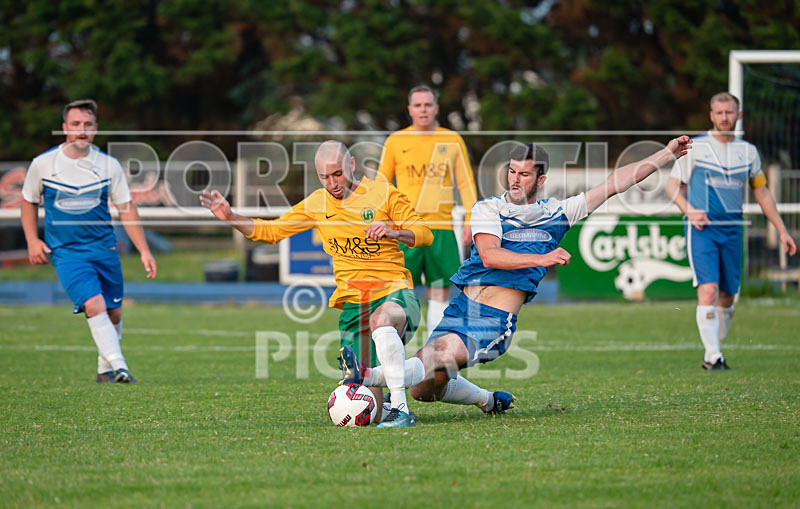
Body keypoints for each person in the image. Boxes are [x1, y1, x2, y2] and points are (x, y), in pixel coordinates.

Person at [348, 136, 692, 417]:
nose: (515, 179)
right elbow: (489, 255)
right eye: (511, 171)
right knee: (425, 388)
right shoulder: (488, 208)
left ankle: (365, 376)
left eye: (524, 174)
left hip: (493, 320)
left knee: (436, 355)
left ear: (540, 179)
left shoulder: (559, 212)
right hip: (460, 311)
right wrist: (545, 256)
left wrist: (665, 154)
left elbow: (615, 183)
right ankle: (488, 400)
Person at [200, 141, 433, 428]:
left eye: (337, 174)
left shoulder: (383, 194)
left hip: (394, 293)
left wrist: (393, 231)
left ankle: (400, 408)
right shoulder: (316, 204)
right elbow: (269, 231)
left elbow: (424, 233)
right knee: (367, 406)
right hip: (353, 307)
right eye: (325, 177)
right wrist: (231, 217)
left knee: (381, 319)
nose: (332, 183)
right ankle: (405, 396)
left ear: (352, 165)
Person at [21, 99, 157, 383]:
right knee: (94, 305)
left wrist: (144, 250)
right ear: (64, 128)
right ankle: (120, 366)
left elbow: (126, 208)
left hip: (104, 248)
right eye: (75, 125)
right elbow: (28, 202)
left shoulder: (108, 165)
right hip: (67, 251)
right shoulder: (43, 164)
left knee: (114, 312)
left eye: (87, 125)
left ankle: (104, 371)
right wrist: (33, 240)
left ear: (95, 129)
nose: (81, 130)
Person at [666, 92, 796, 370]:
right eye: (719, 113)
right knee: (709, 290)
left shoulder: (748, 152)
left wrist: (782, 230)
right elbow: (671, 188)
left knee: (727, 296)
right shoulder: (695, 147)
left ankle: (712, 352)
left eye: (730, 112)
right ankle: (713, 357)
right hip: (702, 230)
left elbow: (762, 192)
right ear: (711, 115)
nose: (724, 117)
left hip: (732, 231)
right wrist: (689, 210)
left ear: (739, 116)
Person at [378, 85, 478, 334]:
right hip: (405, 229)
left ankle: (435, 351)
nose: (423, 109)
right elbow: (382, 184)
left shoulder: (452, 139)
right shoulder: (396, 141)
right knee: (401, 291)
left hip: (440, 228)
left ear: (436, 108)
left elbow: (465, 182)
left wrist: (470, 218)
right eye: (418, 105)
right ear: (410, 109)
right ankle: (399, 352)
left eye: (428, 104)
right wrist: (382, 219)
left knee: (439, 291)